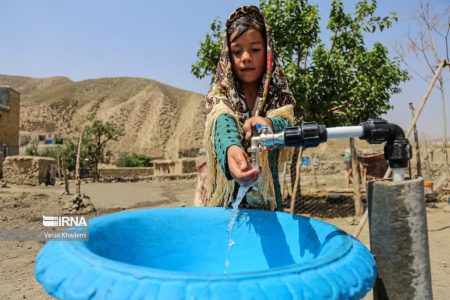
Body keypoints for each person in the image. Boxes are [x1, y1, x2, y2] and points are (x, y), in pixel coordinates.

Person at [203, 5, 296, 211]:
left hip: (267, 202)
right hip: (225, 202)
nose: (246, 57)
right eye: (237, 51)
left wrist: (269, 123)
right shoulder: (220, 91)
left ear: (268, 51)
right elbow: (222, 121)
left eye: (255, 49)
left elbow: (286, 122)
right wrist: (232, 150)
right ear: (228, 54)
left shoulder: (278, 91)